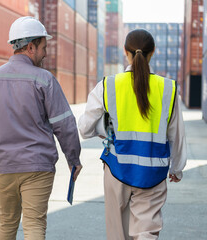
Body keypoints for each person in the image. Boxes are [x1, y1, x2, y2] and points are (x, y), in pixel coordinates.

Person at [0, 16, 82, 240]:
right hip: (37, 168)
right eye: (43, 47)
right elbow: (65, 125)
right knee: (34, 224)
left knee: (6, 223)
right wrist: (73, 159)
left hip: (4, 168)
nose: (45, 53)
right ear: (31, 47)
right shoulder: (45, 80)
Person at [78, 29, 187, 239]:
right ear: (153, 52)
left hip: (117, 169)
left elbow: (84, 128)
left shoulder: (108, 85)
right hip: (152, 173)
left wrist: (104, 127)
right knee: (146, 232)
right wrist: (177, 168)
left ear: (125, 52)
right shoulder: (168, 88)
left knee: (117, 233)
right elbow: (176, 134)